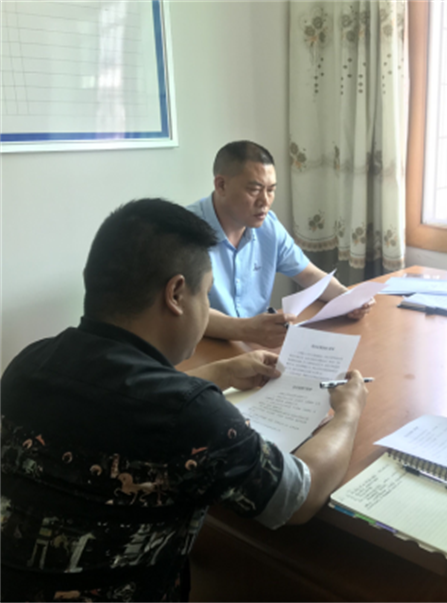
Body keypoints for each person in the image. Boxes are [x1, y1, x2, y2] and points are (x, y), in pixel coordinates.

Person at [0, 199, 368, 602]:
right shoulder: (190, 415)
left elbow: (120, 401)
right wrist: (348, 412)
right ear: (176, 294)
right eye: (206, 295)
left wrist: (220, 372)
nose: (206, 309)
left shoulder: (28, 363)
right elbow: (299, 497)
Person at [187, 141, 373, 348]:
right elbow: (186, 311)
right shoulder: (183, 232)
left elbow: (309, 275)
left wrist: (346, 299)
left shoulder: (268, 226)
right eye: (254, 190)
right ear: (221, 185)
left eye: (271, 190)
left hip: (255, 344)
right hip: (203, 347)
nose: (265, 201)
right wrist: (247, 329)